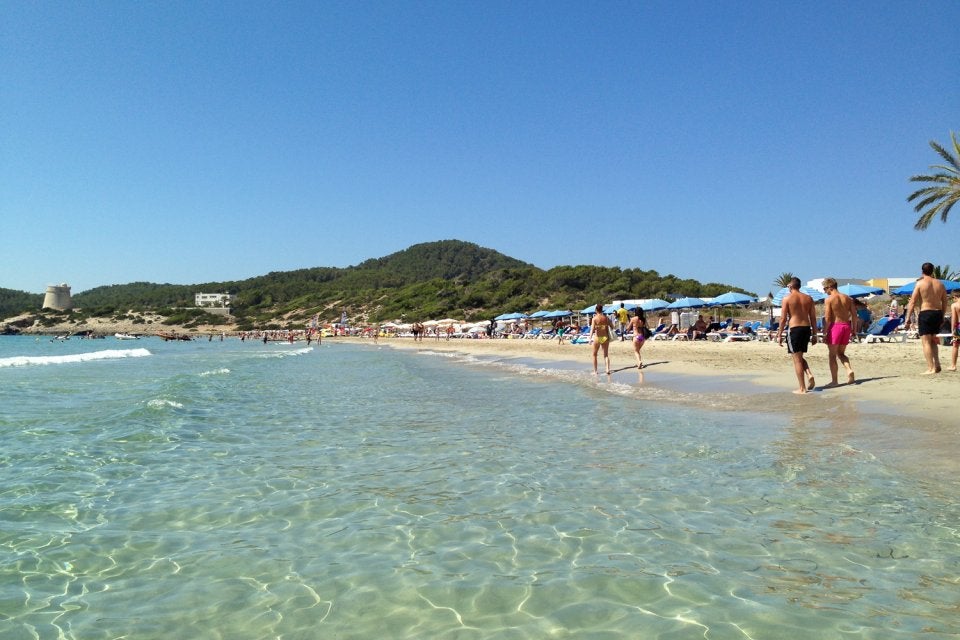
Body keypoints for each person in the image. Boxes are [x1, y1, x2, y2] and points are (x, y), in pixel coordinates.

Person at [904, 262, 948, 374]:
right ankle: (937, 364)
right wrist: (942, 315)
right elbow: (944, 302)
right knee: (933, 340)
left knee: (926, 342)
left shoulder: (920, 284)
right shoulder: (940, 284)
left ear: (922, 271)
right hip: (937, 313)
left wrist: (907, 318)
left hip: (926, 313)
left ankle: (930, 368)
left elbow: (912, 302)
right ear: (932, 271)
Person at [776, 277, 818, 394]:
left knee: (797, 360)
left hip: (794, 329)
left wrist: (779, 334)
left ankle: (802, 388)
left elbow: (783, 318)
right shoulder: (809, 298)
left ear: (790, 286)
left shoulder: (787, 299)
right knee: (799, 356)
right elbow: (813, 318)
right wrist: (815, 334)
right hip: (806, 329)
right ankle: (809, 374)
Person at [821, 277, 856, 386]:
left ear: (830, 287)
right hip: (846, 326)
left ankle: (834, 381)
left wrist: (825, 333)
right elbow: (854, 315)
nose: (825, 291)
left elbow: (827, 318)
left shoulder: (829, 299)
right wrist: (854, 329)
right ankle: (849, 369)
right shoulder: (848, 298)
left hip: (835, 327)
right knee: (841, 353)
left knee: (832, 355)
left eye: (825, 289)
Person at [590, 303, 612, 375]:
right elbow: (612, 326)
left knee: (594, 354)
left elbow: (592, 329)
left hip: (597, 337)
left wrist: (590, 338)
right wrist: (603, 326)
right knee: (606, 354)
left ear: (596, 310)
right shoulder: (606, 318)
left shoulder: (594, 318)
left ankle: (595, 371)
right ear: (602, 310)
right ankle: (607, 369)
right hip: (605, 337)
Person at [948, 290, 960, 371]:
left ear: (955, 297)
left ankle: (953, 365)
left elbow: (954, 319)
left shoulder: (955, 305)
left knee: (955, 346)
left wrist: (952, 329)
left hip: (959, 327)